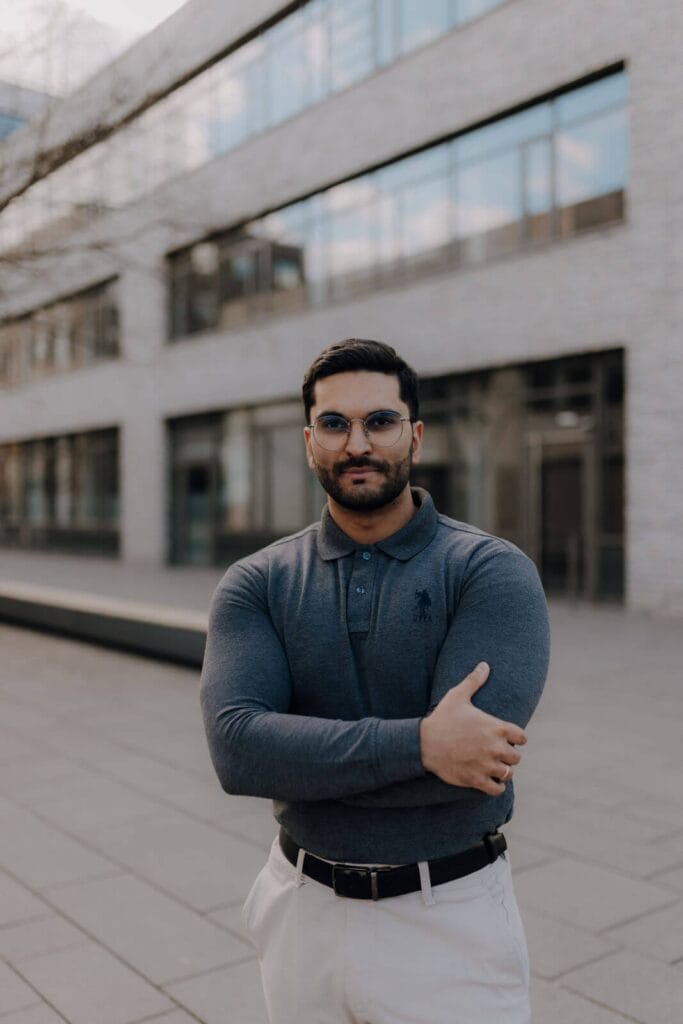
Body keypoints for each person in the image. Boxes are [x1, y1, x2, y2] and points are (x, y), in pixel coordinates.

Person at [200, 339, 550, 1024]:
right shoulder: (257, 583)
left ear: (413, 435)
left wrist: (304, 754)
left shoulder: (489, 571)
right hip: (300, 910)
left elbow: (472, 763)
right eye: (334, 424)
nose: (356, 442)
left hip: (447, 916)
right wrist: (422, 743)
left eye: (379, 421)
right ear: (309, 442)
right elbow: (237, 750)